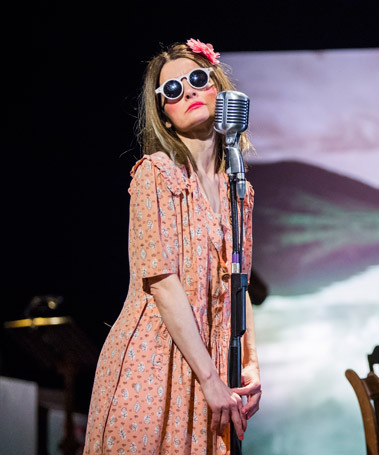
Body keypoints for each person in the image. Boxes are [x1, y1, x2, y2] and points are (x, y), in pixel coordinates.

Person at [83, 39, 261, 455]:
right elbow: (162, 283)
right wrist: (211, 380)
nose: (189, 91)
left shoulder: (239, 191)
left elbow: (241, 285)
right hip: (155, 361)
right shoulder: (155, 176)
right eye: (174, 90)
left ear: (217, 86)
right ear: (164, 112)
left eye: (197, 79)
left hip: (209, 366)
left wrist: (250, 363)